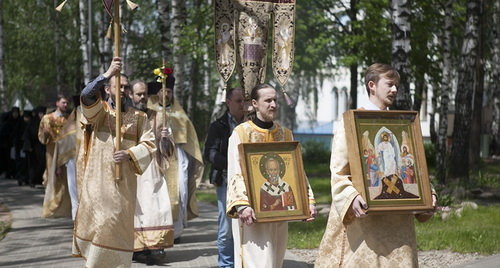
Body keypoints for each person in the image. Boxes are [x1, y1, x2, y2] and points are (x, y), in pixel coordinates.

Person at [315, 63, 437, 268]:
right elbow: (338, 171)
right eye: (389, 84)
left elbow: (412, 165)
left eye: (396, 85)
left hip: (398, 222)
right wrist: (351, 196)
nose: (395, 90)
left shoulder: (402, 124)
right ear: (372, 85)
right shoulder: (351, 122)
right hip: (365, 219)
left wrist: (427, 193)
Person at [72, 57, 156, 268]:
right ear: (108, 89)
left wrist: (129, 153)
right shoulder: (99, 112)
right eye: (118, 86)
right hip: (98, 186)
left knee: (118, 230)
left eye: (126, 87)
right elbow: (85, 95)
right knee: (101, 226)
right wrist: (107, 74)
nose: (123, 90)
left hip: (123, 188)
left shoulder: (139, 117)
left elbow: (149, 144)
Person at [226, 83, 317, 268]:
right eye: (268, 100)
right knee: (255, 261)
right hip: (251, 212)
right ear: (254, 103)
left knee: (275, 260)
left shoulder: (285, 134)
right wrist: (242, 205)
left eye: (275, 100)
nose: (273, 104)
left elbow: (297, 171)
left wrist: (308, 200)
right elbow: (235, 170)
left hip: (279, 213)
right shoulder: (241, 133)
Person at [148, 76, 204, 243]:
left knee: (180, 191)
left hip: (177, 158)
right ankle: (161, 230)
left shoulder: (179, 112)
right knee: (160, 194)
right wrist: (158, 135)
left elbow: (188, 137)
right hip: (156, 158)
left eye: (169, 91)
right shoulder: (150, 112)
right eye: (163, 91)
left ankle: (177, 231)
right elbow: (146, 135)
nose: (166, 94)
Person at [129, 80, 175, 265]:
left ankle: (155, 245)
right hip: (132, 170)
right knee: (136, 211)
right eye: (138, 94)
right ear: (131, 95)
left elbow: (168, 150)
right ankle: (137, 248)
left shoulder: (158, 116)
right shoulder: (126, 116)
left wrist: (164, 138)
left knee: (155, 208)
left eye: (144, 94)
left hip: (152, 170)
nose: (142, 97)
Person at [204, 87, 244, 268]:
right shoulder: (218, 126)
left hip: (249, 182)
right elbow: (209, 153)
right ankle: (226, 265)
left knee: (247, 226)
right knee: (226, 228)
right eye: (238, 101)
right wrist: (232, 163)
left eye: (245, 100)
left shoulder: (251, 124)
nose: (242, 104)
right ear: (228, 103)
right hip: (226, 181)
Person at [38, 95, 73, 218]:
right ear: (57, 103)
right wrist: (46, 134)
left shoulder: (69, 119)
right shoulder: (47, 118)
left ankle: (65, 209)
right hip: (52, 153)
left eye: (67, 103)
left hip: (66, 152)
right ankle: (51, 208)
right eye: (63, 102)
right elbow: (41, 137)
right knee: (53, 178)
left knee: (66, 179)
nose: (65, 105)